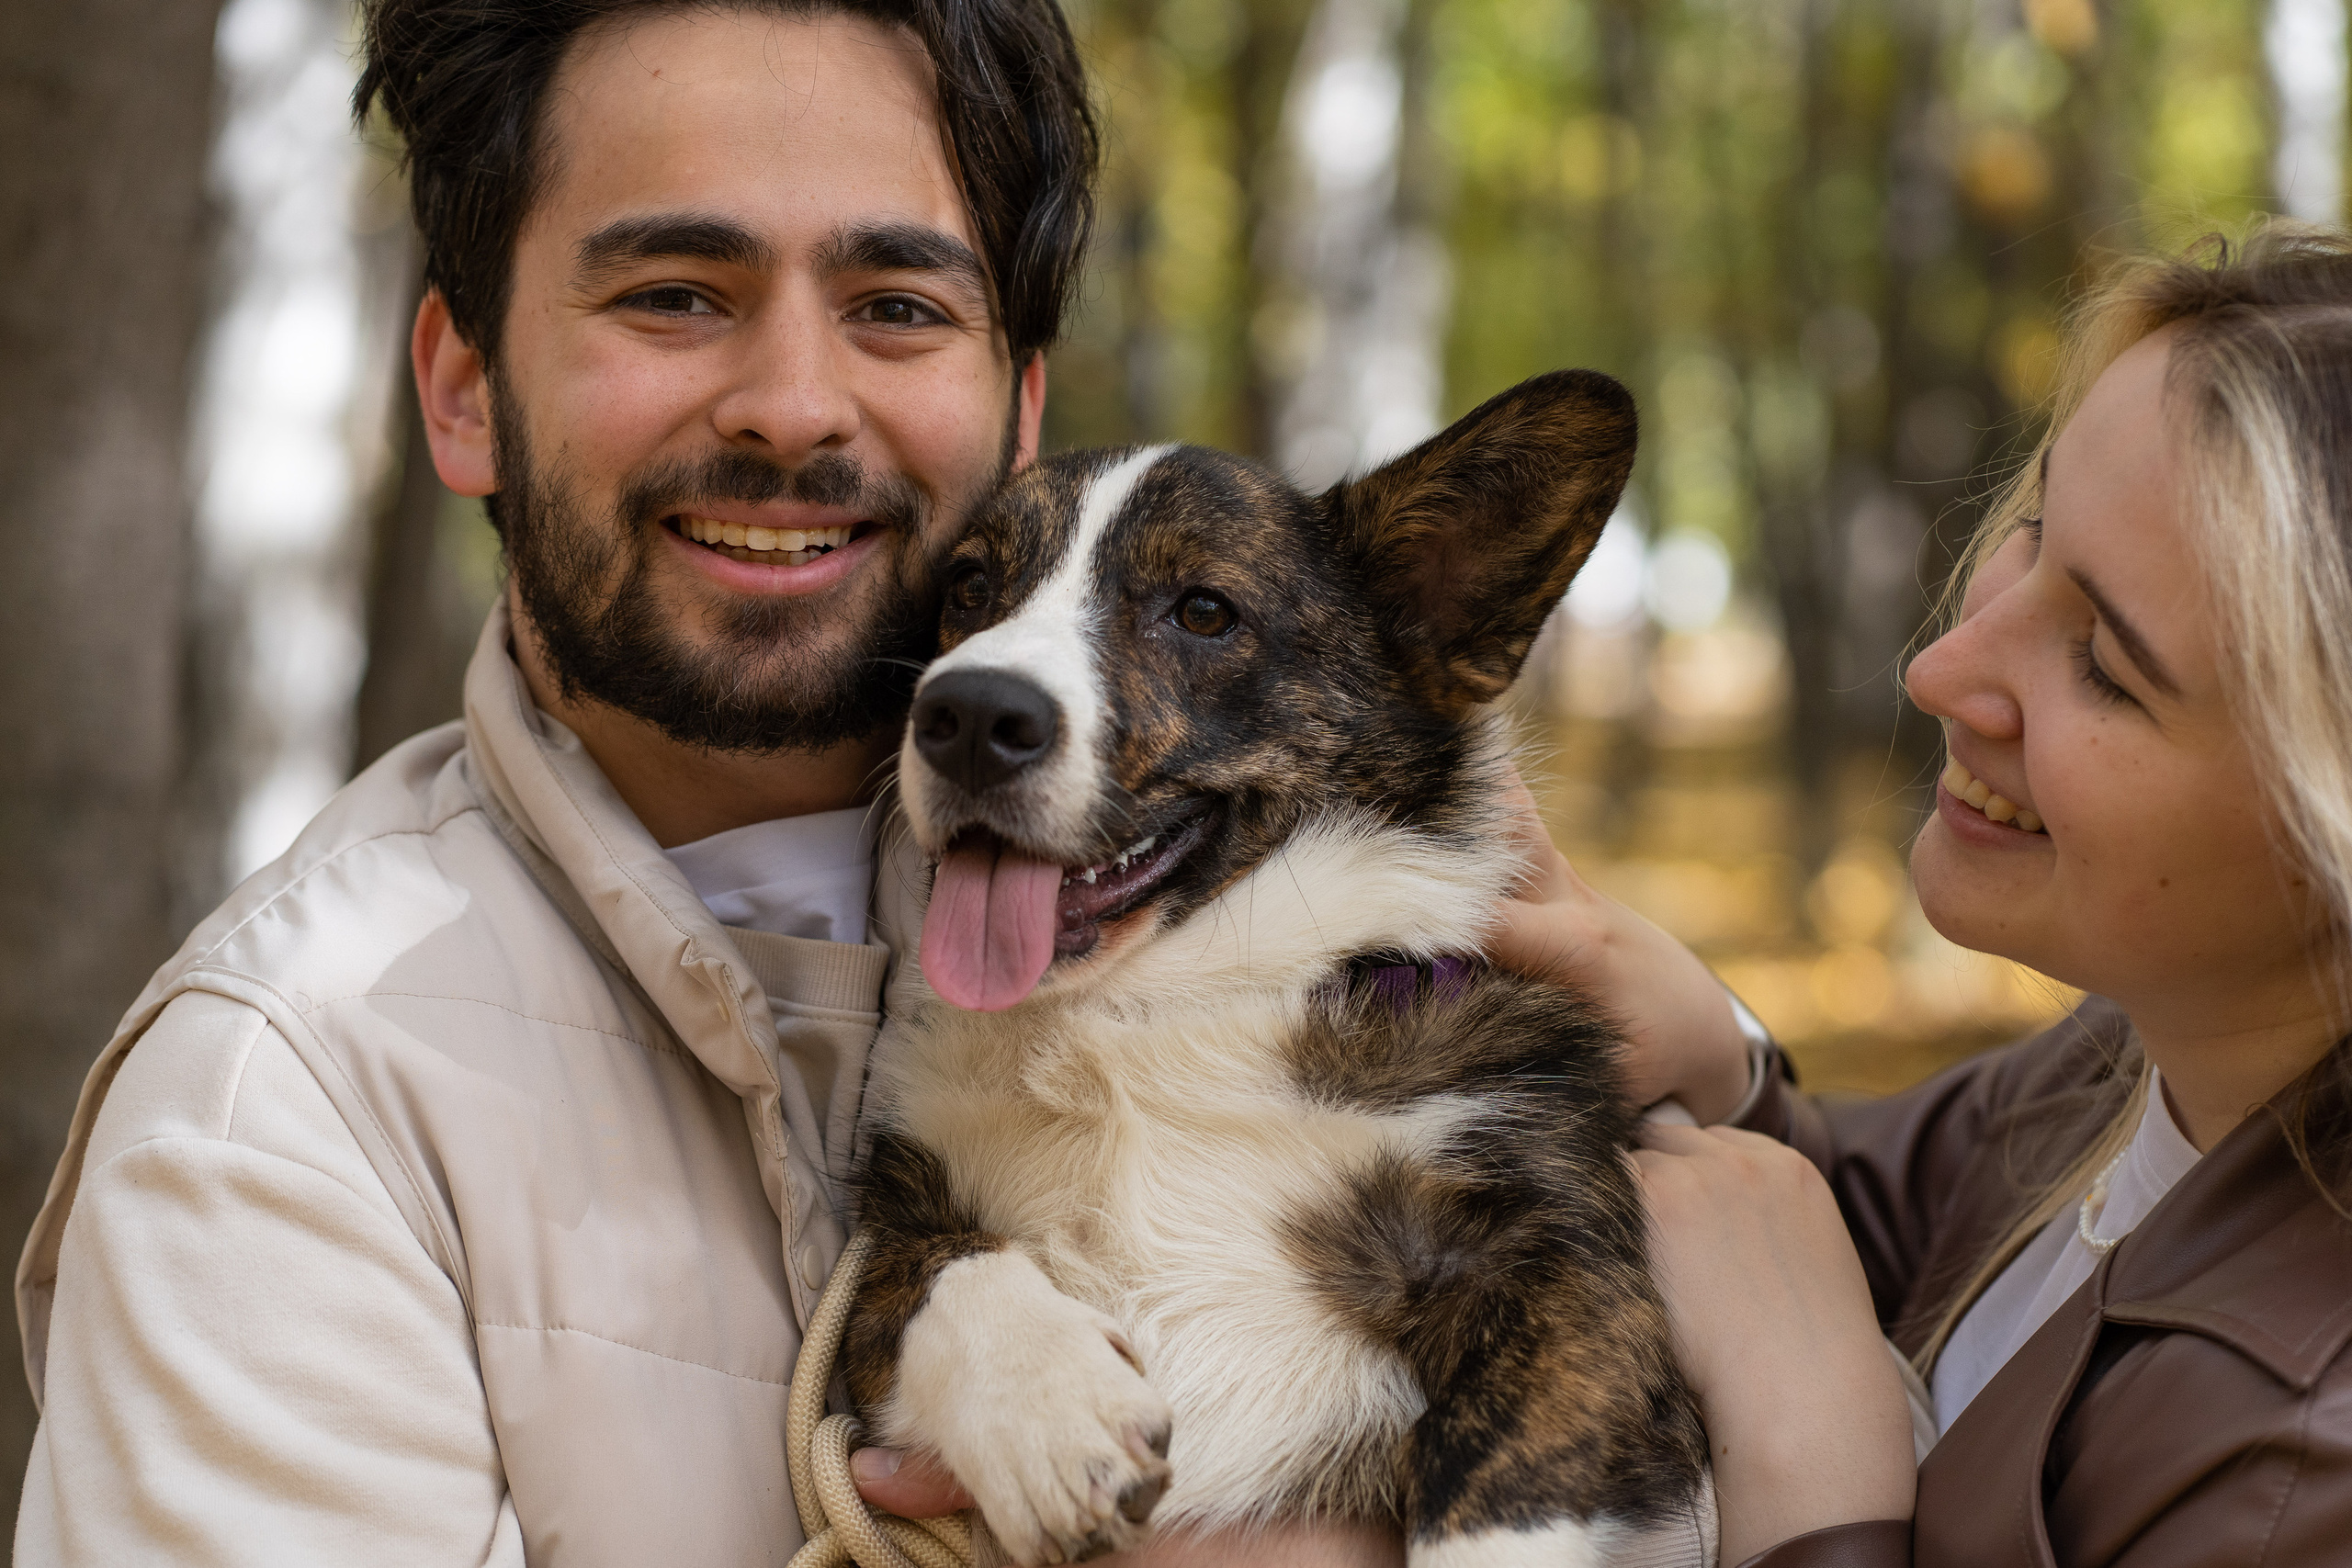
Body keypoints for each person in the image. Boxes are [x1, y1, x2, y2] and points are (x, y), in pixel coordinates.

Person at [7, 2, 1368, 1562]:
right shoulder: (280, 1123)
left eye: (899, 308)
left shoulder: (1253, 867)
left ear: (1021, 412)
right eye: (674, 294)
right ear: (462, 389)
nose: (792, 403)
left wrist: (1721, 1102)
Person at [1508, 225, 2352, 1564]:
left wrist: (1811, 1465)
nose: (1945, 669)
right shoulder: (2133, 1062)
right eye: (2031, 532)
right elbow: (1871, 1223)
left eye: (2106, 667)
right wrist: (1712, 1048)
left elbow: (1805, 1324)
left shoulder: (2302, 1481)